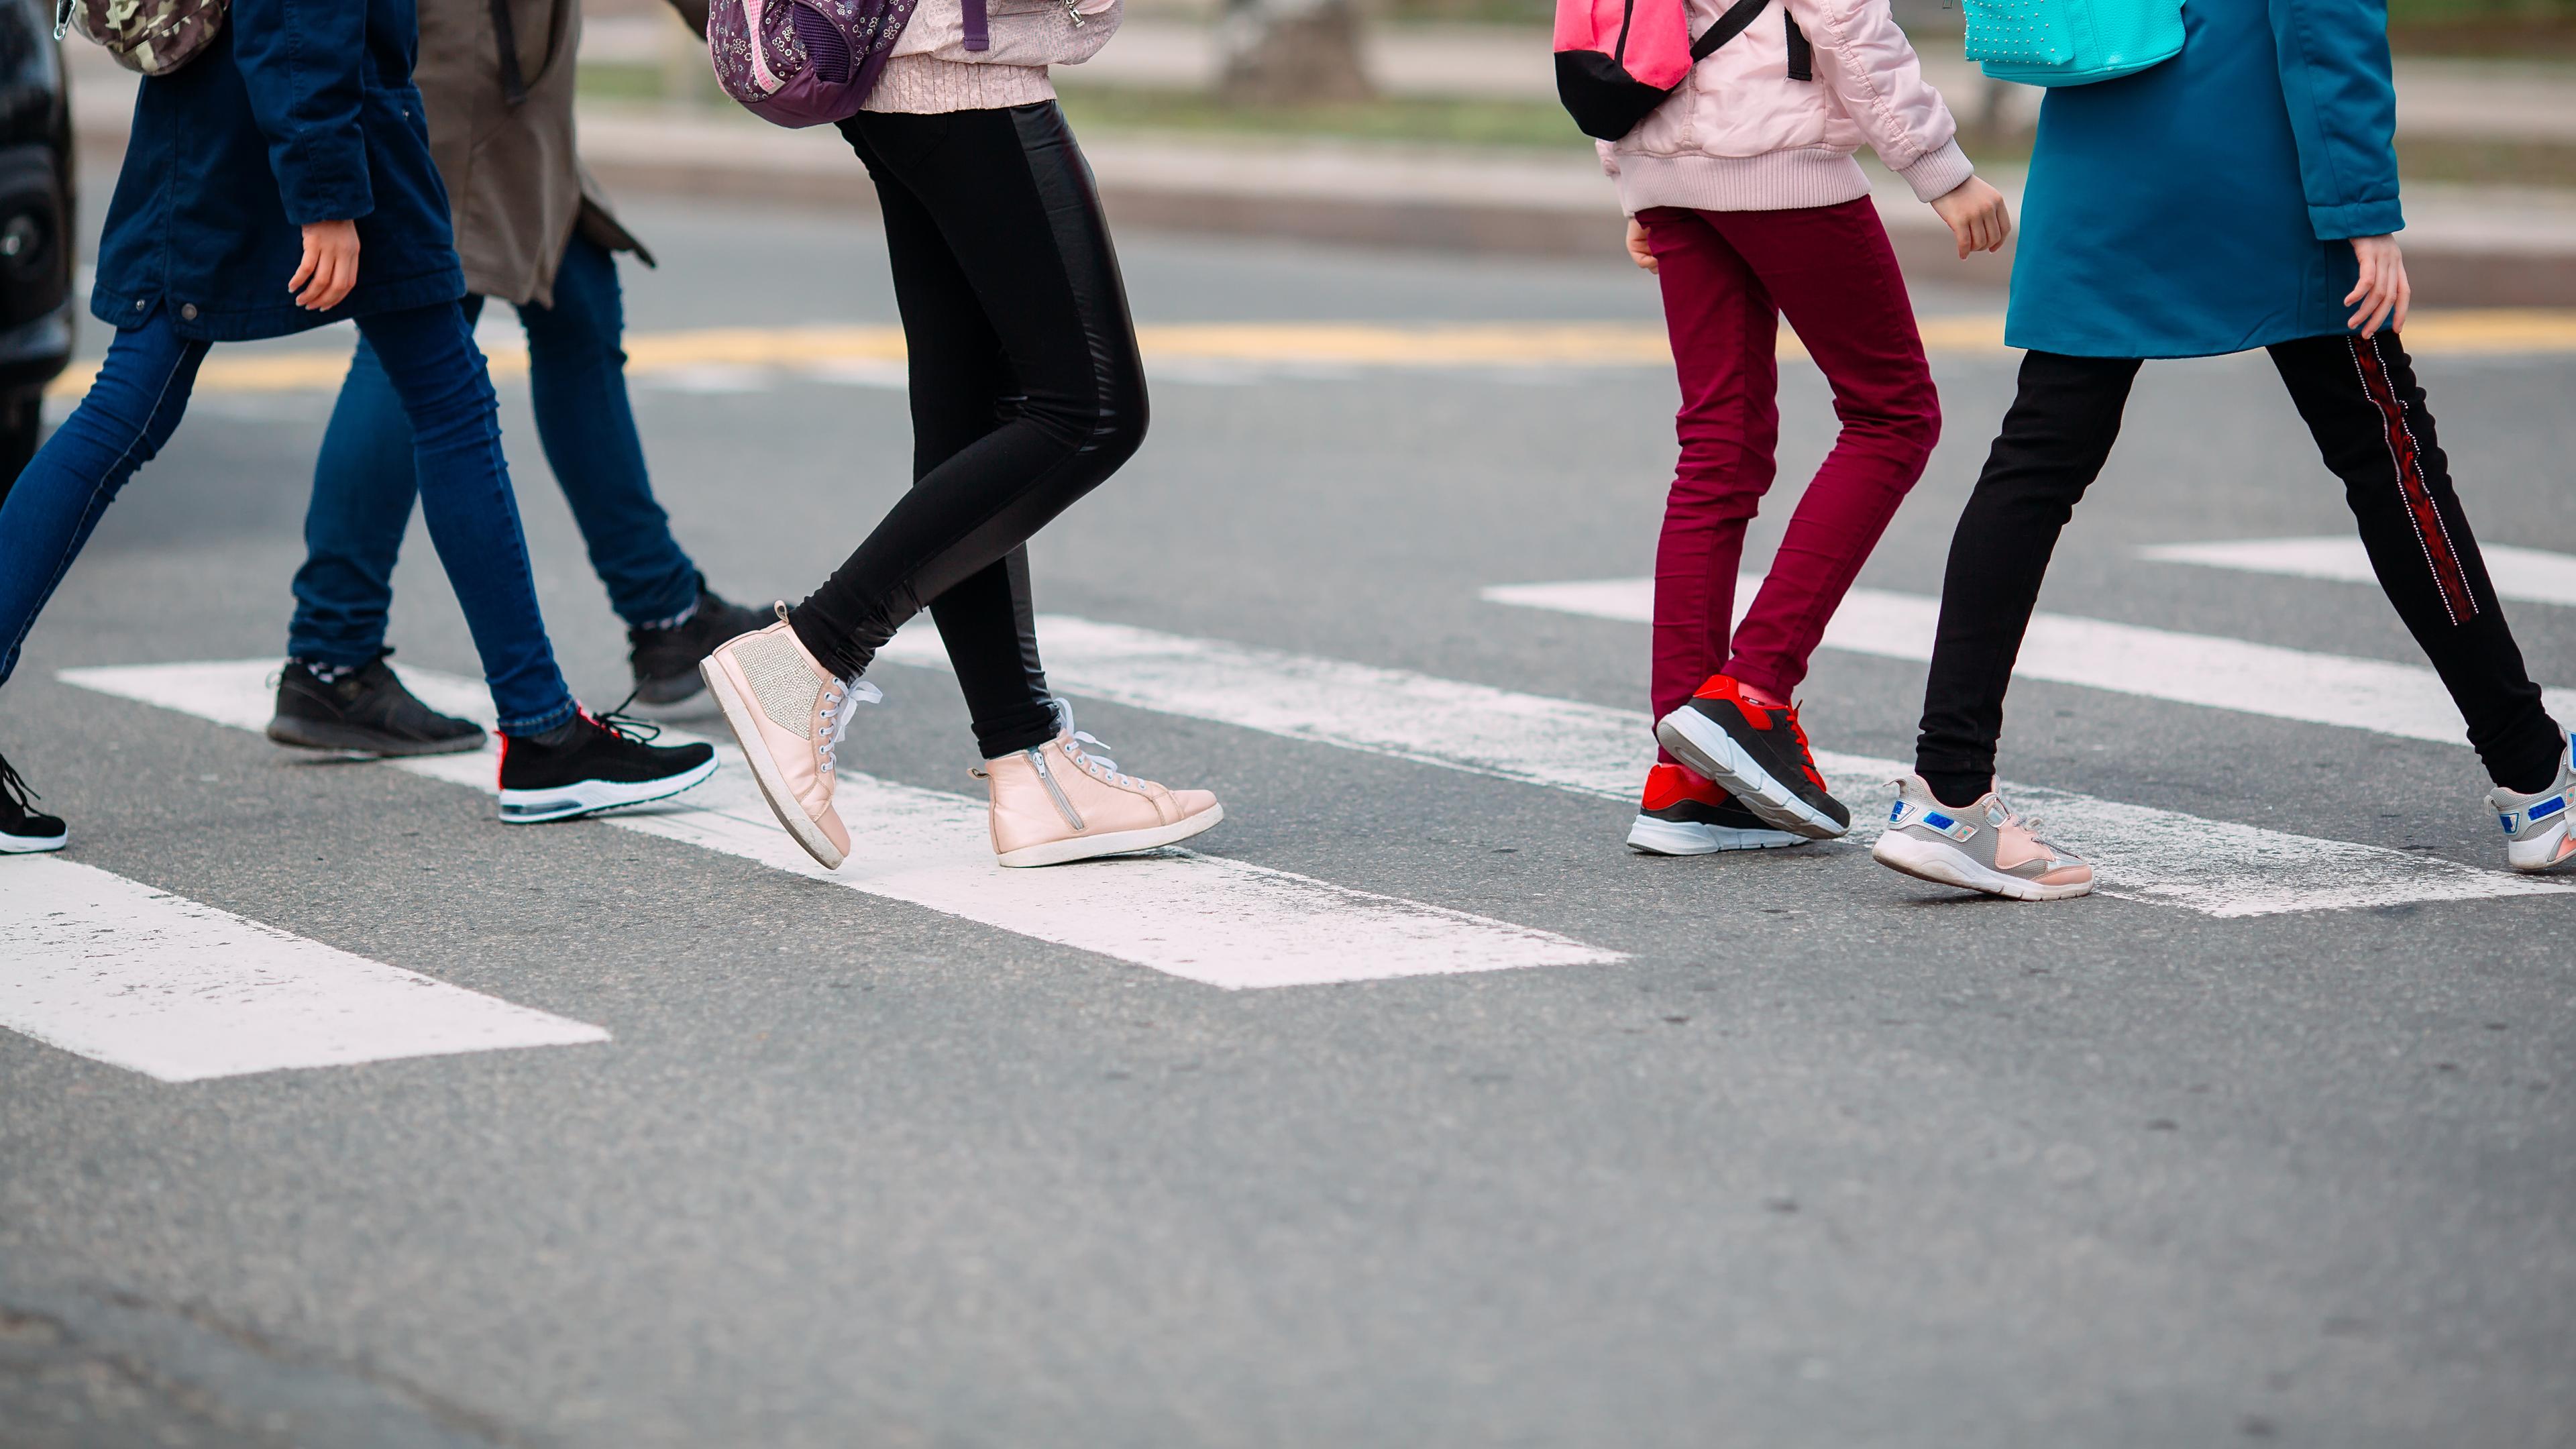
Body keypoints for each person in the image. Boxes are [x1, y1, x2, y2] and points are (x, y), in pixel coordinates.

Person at [1874, 0, 2575, 900]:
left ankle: (1949, 790)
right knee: (2390, 454)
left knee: (2039, 455)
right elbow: (2326, 19)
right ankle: (2536, 782)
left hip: (2103, 129)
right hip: (2260, 147)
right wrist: (2362, 204)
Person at [0, 0, 716, 855]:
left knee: (134, 414)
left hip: (235, 113)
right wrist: (325, 191)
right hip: (323, 118)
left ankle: (541, 730)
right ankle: (541, 733)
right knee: (442, 407)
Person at [698, 0, 1224, 871]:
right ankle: (813, 652)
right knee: (1091, 411)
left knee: (969, 420)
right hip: (957, 62)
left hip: (904, 69)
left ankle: (1031, 770)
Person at [265, 0, 768, 760]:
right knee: (419, 336)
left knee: (577, 303)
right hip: (470, 62)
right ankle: (331, 652)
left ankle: (663, 610)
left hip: (508, 68)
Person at [1603, 0, 2012, 856]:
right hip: (1776, 157)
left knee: (1716, 447)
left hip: (1661, 156)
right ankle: (1751, 692)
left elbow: (1605, 23)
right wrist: (1941, 168)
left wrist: (1632, 168)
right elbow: (1847, 20)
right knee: (1893, 413)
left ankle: (1693, 780)